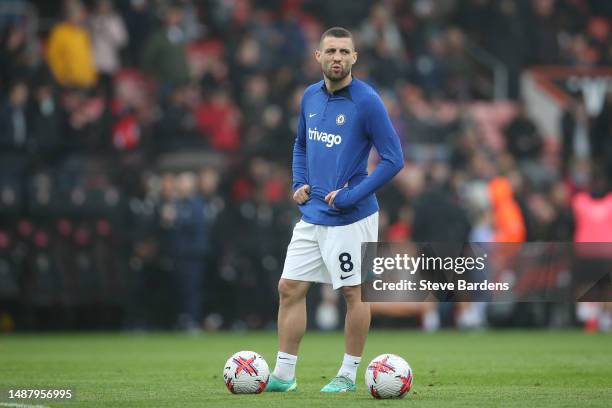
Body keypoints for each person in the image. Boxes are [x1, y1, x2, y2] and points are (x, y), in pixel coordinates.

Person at [265, 27, 404, 393]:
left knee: (353, 295)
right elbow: (299, 145)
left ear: (354, 57)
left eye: (344, 51)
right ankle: (284, 374)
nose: (337, 57)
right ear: (318, 56)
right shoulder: (310, 97)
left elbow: (394, 159)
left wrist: (353, 194)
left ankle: (347, 374)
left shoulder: (367, 101)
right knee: (289, 287)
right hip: (312, 214)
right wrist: (298, 183)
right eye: (330, 51)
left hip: (351, 218)